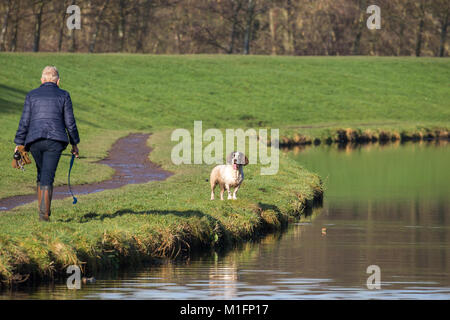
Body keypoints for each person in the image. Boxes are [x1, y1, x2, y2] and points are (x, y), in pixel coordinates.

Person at [14, 66, 80, 222]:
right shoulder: (64, 95)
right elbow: (70, 122)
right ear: (58, 81)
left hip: (34, 140)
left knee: (41, 173)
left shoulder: (31, 95)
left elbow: (25, 121)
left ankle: (42, 213)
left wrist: (19, 143)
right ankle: (44, 216)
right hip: (55, 141)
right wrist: (74, 143)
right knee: (47, 176)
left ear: (42, 80)